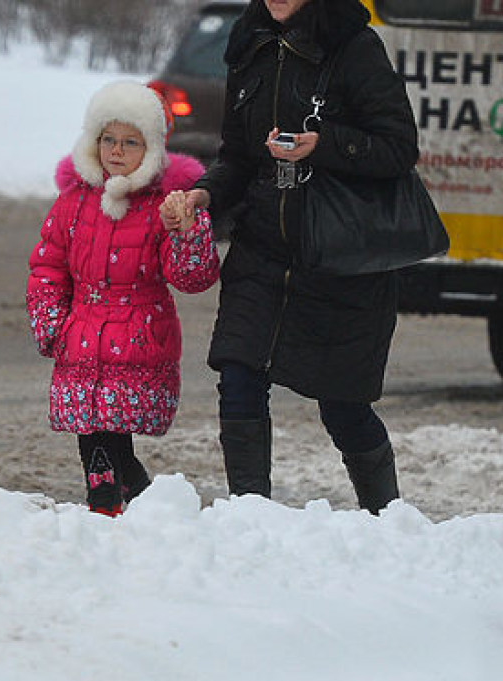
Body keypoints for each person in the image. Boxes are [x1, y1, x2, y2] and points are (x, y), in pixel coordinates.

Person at [163, 0, 420, 512]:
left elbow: (398, 147)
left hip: (339, 258)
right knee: (238, 375)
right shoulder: (249, 43)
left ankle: (388, 523)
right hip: (261, 249)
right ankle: (250, 515)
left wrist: (321, 146)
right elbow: (236, 155)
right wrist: (204, 194)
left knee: (343, 407)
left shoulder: (354, 45)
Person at [27, 81, 220, 516]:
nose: (117, 150)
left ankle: (124, 501)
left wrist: (186, 231)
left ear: (150, 149)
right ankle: (112, 501)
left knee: (112, 431)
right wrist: (50, 318)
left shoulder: (161, 205)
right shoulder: (74, 201)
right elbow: (48, 266)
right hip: (80, 333)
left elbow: (190, 278)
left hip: (137, 337)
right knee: (94, 429)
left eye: (130, 142)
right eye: (108, 139)